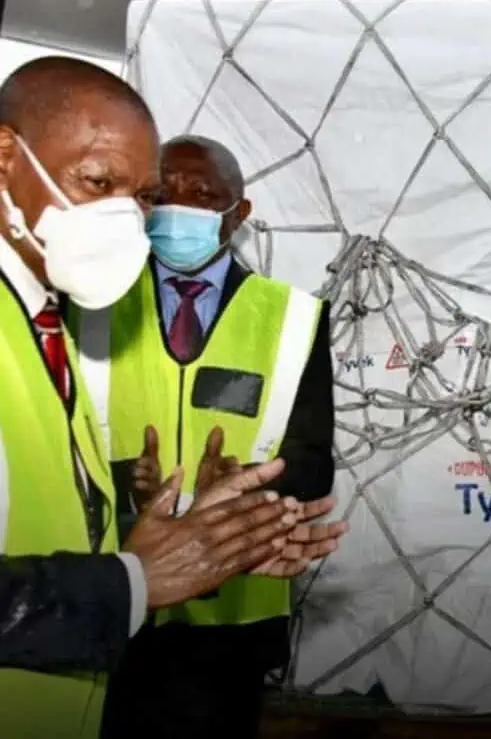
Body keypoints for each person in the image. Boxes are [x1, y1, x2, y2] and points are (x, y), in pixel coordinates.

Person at [0, 56, 346, 738]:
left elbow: (49, 509)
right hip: (112, 632)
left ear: (237, 214)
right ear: (7, 157)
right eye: (97, 181)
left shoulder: (44, 315)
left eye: (138, 196)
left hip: (184, 630)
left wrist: (223, 525)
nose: (125, 216)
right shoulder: (86, 308)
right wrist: (137, 575)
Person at [71, 135, 336, 738]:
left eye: (202, 195)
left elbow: (314, 462)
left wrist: (243, 488)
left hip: (233, 614)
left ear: (238, 214)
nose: (179, 208)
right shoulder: (90, 306)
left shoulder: (296, 318)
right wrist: (129, 486)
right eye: (163, 194)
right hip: (114, 593)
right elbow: (59, 443)